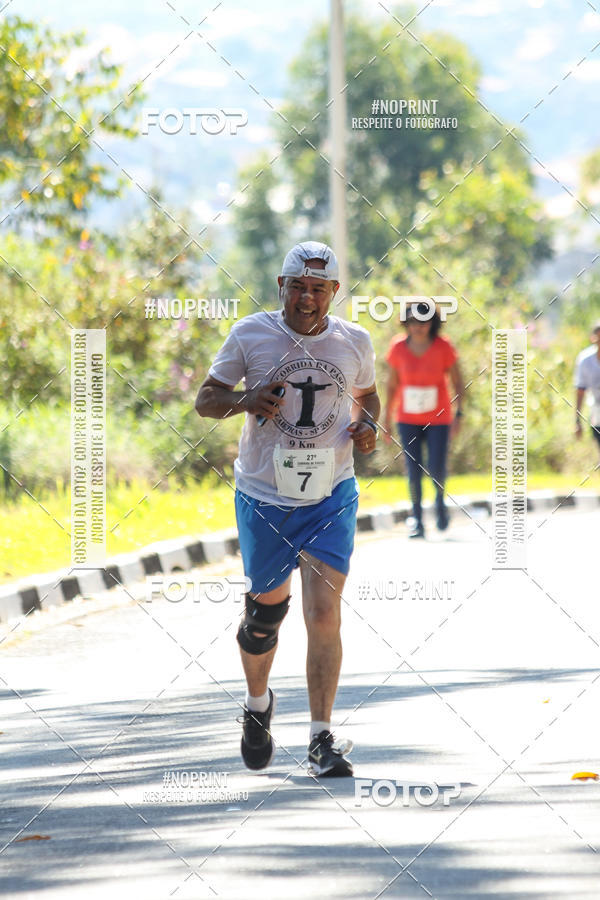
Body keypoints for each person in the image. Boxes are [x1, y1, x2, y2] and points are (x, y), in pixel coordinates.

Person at [195, 241, 380, 777]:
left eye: (318, 289)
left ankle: (321, 738)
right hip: (263, 496)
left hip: (331, 494)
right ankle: (257, 708)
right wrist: (245, 401)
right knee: (265, 616)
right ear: (281, 287)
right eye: (297, 287)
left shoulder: (355, 341)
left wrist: (367, 427)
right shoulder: (251, 333)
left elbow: (367, 394)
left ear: (334, 293)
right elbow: (206, 398)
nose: (307, 298)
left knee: (323, 613)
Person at [382, 302, 464, 538]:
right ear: (406, 323)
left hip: (439, 418)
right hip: (407, 419)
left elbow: (458, 382)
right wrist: (386, 418)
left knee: (437, 466)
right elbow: (391, 385)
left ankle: (440, 505)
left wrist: (459, 413)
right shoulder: (398, 348)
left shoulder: (443, 347)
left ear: (432, 323)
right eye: (413, 322)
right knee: (413, 468)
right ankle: (416, 519)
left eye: (423, 321)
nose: (418, 327)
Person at [575, 320, 600, 461]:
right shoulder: (585, 360)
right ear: (593, 338)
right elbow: (580, 390)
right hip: (597, 415)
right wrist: (577, 421)